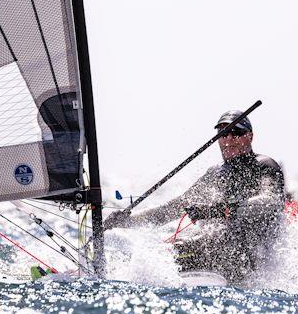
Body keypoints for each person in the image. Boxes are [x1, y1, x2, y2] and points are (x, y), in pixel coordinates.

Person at [106, 110, 286, 282]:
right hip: (215, 251)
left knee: (188, 248)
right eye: (223, 133)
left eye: (236, 132)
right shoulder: (215, 174)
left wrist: (217, 210)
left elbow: (269, 202)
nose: (229, 139)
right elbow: (173, 208)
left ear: (250, 136)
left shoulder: (264, 165)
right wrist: (126, 221)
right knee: (158, 254)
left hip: (251, 255)